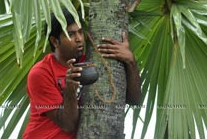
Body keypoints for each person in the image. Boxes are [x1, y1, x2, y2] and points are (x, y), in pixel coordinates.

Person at [22, 10, 141, 139]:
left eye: (80, 32)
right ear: (55, 41)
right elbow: (68, 125)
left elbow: (134, 99)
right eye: (71, 34)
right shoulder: (41, 73)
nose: (79, 39)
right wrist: (70, 90)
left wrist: (130, 61)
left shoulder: (90, 61)